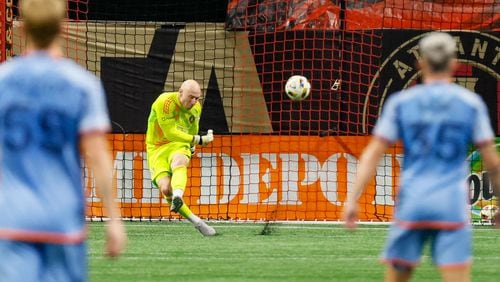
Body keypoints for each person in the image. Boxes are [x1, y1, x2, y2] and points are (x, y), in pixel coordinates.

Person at [343, 32, 500, 282]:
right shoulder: (470, 104)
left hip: (413, 202)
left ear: (421, 63)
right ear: (453, 63)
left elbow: (373, 153)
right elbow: (491, 160)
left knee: (397, 277)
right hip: (451, 204)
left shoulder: (401, 103)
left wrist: (352, 199)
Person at [0, 0, 127, 281]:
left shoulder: (3, 81)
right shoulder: (82, 85)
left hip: (11, 221)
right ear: (63, 27)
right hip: (62, 221)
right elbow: (97, 156)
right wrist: (114, 219)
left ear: (21, 29)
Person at [146, 79, 216, 236]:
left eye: (197, 98)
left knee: (179, 161)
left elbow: (193, 129)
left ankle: (178, 196)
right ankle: (197, 222)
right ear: (180, 93)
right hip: (157, 148)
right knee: (165, 188)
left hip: (179, 144)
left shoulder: (196, 108)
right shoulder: (164, 102)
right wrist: (199, 140)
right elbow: (170, 133)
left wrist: (192, 147)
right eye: (191, 97)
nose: (194, 102)